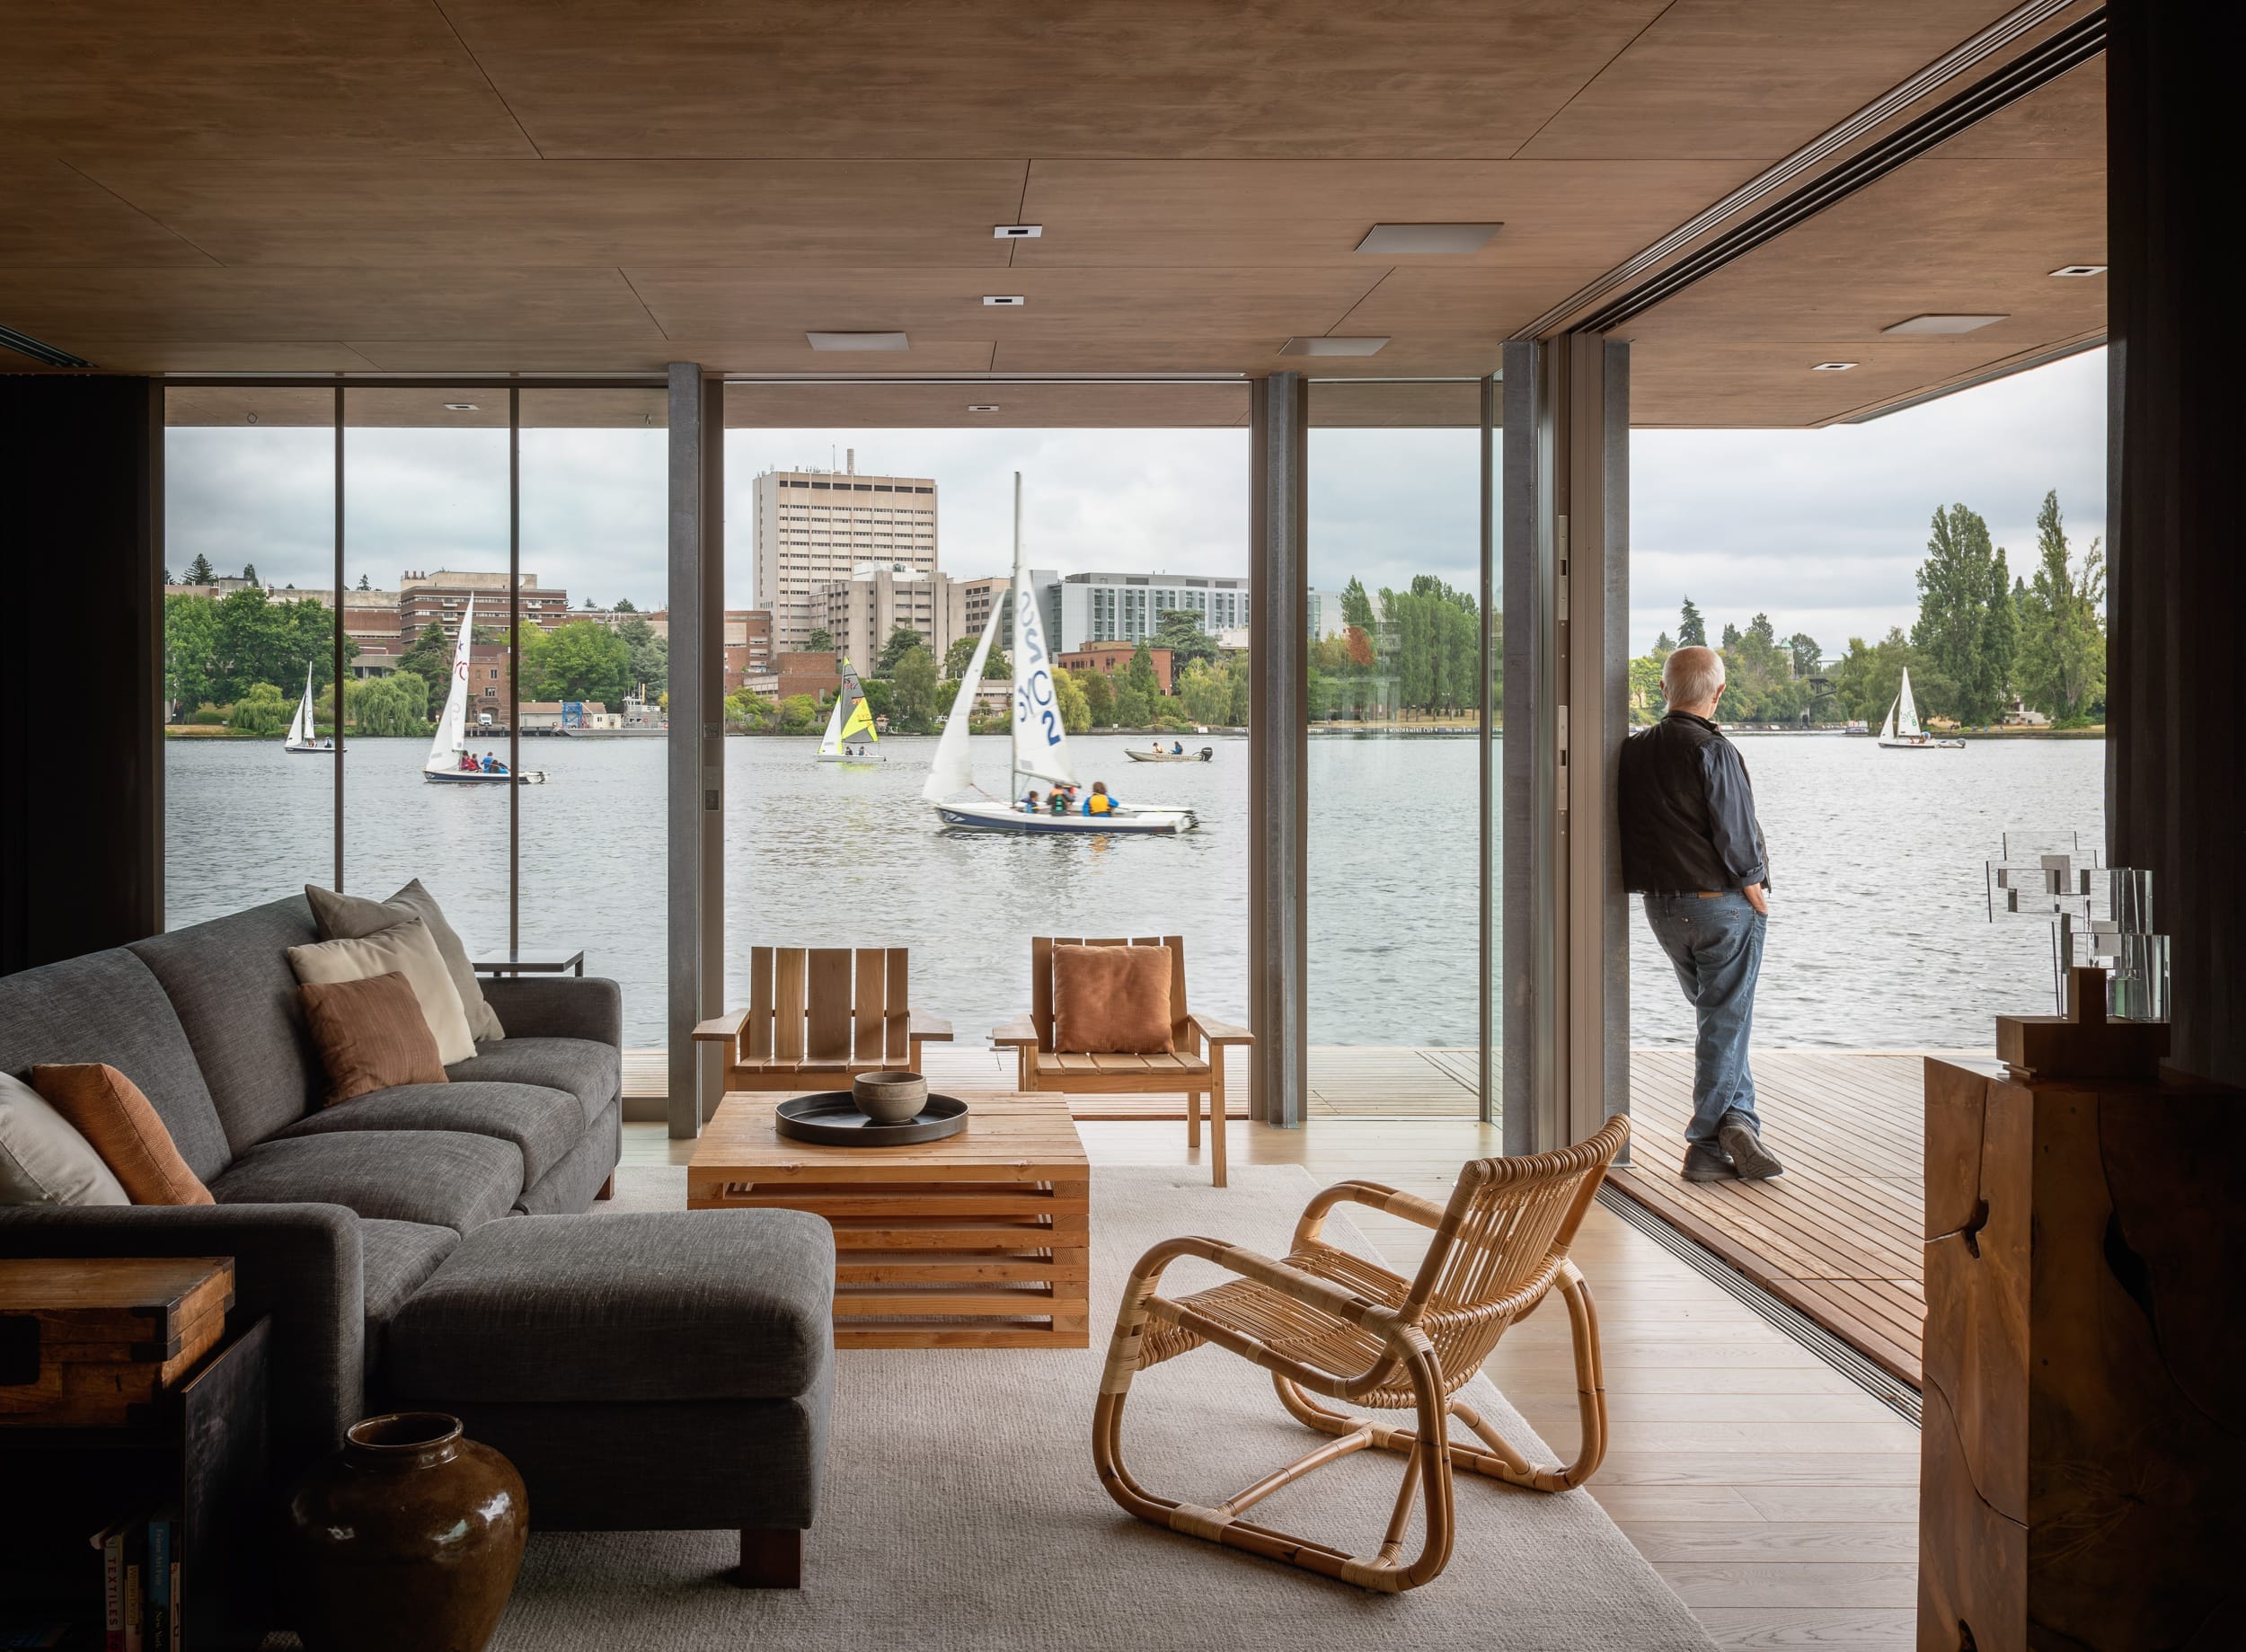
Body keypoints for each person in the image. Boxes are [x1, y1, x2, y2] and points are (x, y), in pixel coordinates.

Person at [1617, 645, 1782, 1184]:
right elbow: (1734, 829)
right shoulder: (1714, 750)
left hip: (1662, 910)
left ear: (1665, 691)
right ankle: (1705, 1142)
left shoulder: (1634, 749)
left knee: (1720, 1021)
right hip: (1720, 907)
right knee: (1724, 1022)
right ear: (1719, 692)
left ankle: (1740, 1123)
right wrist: (1754, 881)